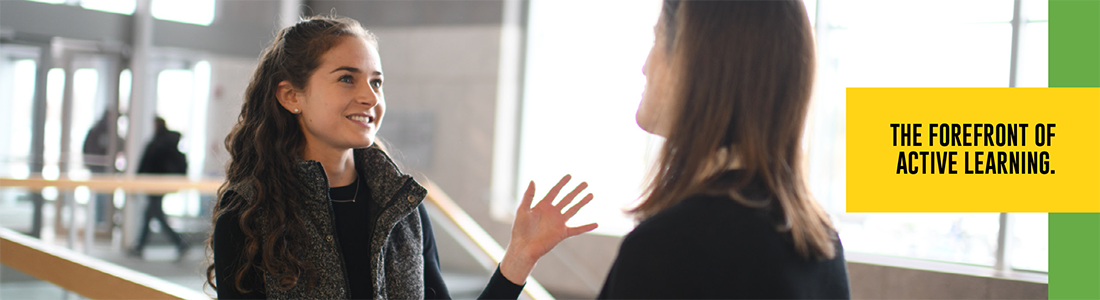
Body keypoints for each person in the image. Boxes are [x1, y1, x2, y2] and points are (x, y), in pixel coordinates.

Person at [206, 15, 596, 300]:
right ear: (291, 96)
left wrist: (518, 259)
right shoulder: (248, 213)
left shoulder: (403, 209)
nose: (370, 97)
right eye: (347, 78)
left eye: (376, 82)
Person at [588, 0, 852, 298]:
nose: (645, 66)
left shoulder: (668, 248)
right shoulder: (821, 245)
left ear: (698, 65)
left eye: (658, 39)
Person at [130, 117, 190, 261]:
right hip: (163, 185)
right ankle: (142, 246)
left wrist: (135, 182)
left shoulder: (156, 143)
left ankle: (179, 242)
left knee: (154, 214)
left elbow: (144, 163)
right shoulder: (170, 142)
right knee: (151, 214)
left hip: (154, 185)